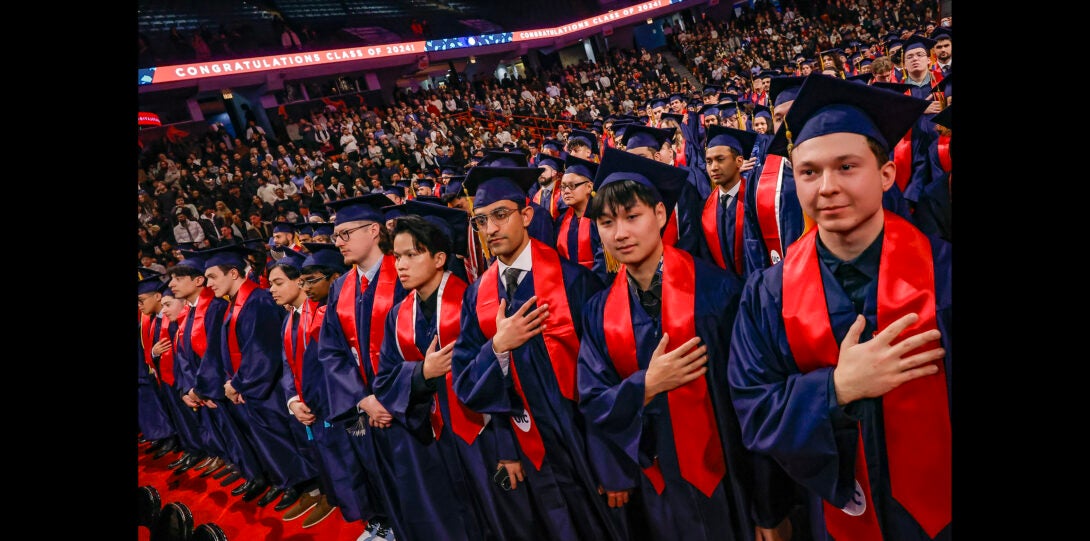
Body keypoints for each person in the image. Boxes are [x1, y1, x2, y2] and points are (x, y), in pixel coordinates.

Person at [728, 74, 951, 541]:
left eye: (846, 166)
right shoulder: (767, 296)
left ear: (886, 173)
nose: (825, 187)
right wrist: (835, 389)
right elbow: (752, 407)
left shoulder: (944, 273)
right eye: (809, 171)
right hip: (838, 515)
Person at [576, 148, 795, 541]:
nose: (620, 233)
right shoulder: (598, 313)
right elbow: (593, 400)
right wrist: (646, 385)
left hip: (730, 480)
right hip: (656, 487)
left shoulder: (719, 293)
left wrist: (770, 507)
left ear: (660, 215)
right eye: (606, 222)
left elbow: (754, 402)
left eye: (632, 216)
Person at [451, 165, 619, 541]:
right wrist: (498, 346)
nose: (491, 229)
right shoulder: (477, 296)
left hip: (583, 441)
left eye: (500, 215)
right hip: (530, 453)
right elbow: (466, 382)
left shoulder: (575, 281)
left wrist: (612, 463)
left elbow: (608, 375)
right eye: (481, 221)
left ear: (526, 215)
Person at [372, 214, 491, 540]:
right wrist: (423, 372)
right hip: (430, 435)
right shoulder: (398, 316)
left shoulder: (471, 299)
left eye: (412, 254)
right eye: (397, 257)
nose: (401, 265)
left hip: (481, 435)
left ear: (439, 258)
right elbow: (383, 381)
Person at [315, 193, 411, 541]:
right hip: (367, 407)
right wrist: (362, 398)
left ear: (373, 230)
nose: (338, 242)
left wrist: (389, 398)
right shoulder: (341, 286)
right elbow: (331, 352)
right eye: (335, 236)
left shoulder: (404, 272)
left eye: (345, 234)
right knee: (377, 472)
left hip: (406, 405)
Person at [201, 243, 321, 508]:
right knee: (269, 441)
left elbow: (263, 352)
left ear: (233, 273)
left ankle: (304, 485)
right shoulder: (234, 304)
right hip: (251, 390)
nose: (208, 284)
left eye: (212, 276)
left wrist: (239, 383)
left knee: (283, 439)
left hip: (269, 389)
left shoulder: (258, 301)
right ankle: (288, 481)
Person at [266, 248, 328, 514]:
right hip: (306, 408)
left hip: (329, 407)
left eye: (278, 283)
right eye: (270, 284)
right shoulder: (289, 318)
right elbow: (288, 366)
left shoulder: (323, 314)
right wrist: (292, 401)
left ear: (299, 281)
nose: (272, 290)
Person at [167, 251, 231, 479]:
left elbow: (215, 355)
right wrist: (187, 389)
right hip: (202, 390)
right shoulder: (190, 313)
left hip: (216, 388)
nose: (172, 284)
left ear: (198, 280)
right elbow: (183, 356)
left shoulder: (214, 308)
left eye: (178, 279)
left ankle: (241, 464)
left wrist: (201, 388)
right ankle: (230, 459)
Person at [618, 127, 707, 260]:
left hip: (679, 265)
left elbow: (690, 234)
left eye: (642, 157)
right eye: (631, 159)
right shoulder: (627, 194)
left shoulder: (682, 187)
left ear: (656, 157)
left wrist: (666, 265)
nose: (636, 164)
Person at [701, 125, 758, 279]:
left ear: (739, 161)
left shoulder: (755, 200)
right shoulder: (705, 207)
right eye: (708, 161)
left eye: (720, 159)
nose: (713, 167)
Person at [138, 273, 180, 460]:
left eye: (141, 300)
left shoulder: (167, 319)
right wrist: (153, 355)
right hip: (159, 371)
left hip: (176, 374)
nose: (139, 306)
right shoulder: (150, 320)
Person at [554, 154, 612, 284]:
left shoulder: (601, 218)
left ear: (589, 187)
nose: (566, 191)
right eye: (562, 186)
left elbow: (603, 264)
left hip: (599, 289)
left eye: (572, 185)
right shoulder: (561, 221)